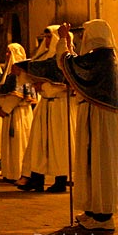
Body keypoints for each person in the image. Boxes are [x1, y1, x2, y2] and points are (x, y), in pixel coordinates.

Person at [57, 19, 118, 231]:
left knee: (100, 162)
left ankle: (104, 216)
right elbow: (76, 64)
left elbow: (70, 63)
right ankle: (92, 210)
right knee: (89, 161)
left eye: (86, 34)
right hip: (93, 113)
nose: (84, 37)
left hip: (101, 116)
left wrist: (63, 42)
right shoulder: (98, 57)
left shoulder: (103, 57)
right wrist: (67, 42)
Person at [20, 26, 76, 192]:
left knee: (59, 145)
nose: (46, 40)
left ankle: (60, 181)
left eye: (50, 37)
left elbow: (67, 85)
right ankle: (36, 178)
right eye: (45, 37)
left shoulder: (65, 59)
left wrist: (44, 85)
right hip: (45, 105)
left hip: (59, 106)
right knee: (38, 144)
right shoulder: (43, 58)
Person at [0, 43, 34, 184]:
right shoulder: (10, 73)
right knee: (11, 145)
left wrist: (4, 109)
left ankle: (18, 172)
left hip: (18, 114)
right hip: (11, 113)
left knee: (19, 144)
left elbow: (16, 95)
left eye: (8, 52)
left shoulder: (19, 73)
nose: (6, 54)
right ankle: (10, 171)